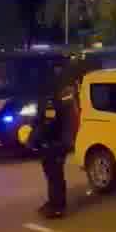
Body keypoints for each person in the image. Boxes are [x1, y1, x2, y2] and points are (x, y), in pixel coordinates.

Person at [30, 80, 79, 218]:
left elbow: (49, 124)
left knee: (55, 176)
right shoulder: (49, 100)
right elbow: (39, 123)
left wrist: (63, 143)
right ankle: (54, 202)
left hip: (55, 144)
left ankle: (57, 207)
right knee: (52, 175)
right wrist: (34, 141)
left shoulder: (58, 102)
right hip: (48, 144)